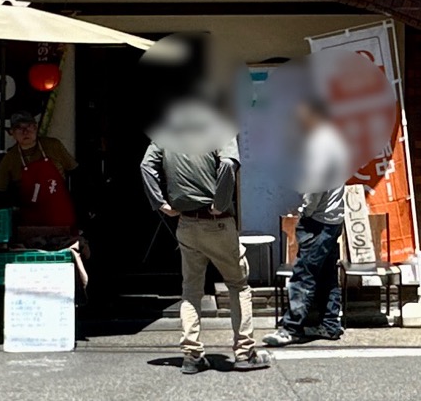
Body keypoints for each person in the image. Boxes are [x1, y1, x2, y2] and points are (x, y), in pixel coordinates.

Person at [141, 101, 269, 374]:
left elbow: (145, 166)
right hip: (218, 223)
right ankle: (244, 352)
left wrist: (161, 204)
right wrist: (220, 203)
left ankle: (191, 355)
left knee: (191, 291)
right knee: (239, 285)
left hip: (186, 223)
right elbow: (227, 165)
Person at [266, 98, 351, 347]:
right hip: (333, 219)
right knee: (326, 275)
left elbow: (314, 187)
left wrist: (305, 211)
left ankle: (291, 328)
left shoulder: (319, 144)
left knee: (303, 274)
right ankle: (330, 325)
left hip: (318, 220)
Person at [0, 112, 79, 231]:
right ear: (11, 133)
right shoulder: (10, 158)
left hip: (60, 217)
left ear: (36, 127)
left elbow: (75, 172)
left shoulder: (53, 145)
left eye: (29, 127)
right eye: (19, 128)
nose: (25, 132)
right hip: (31, 223)